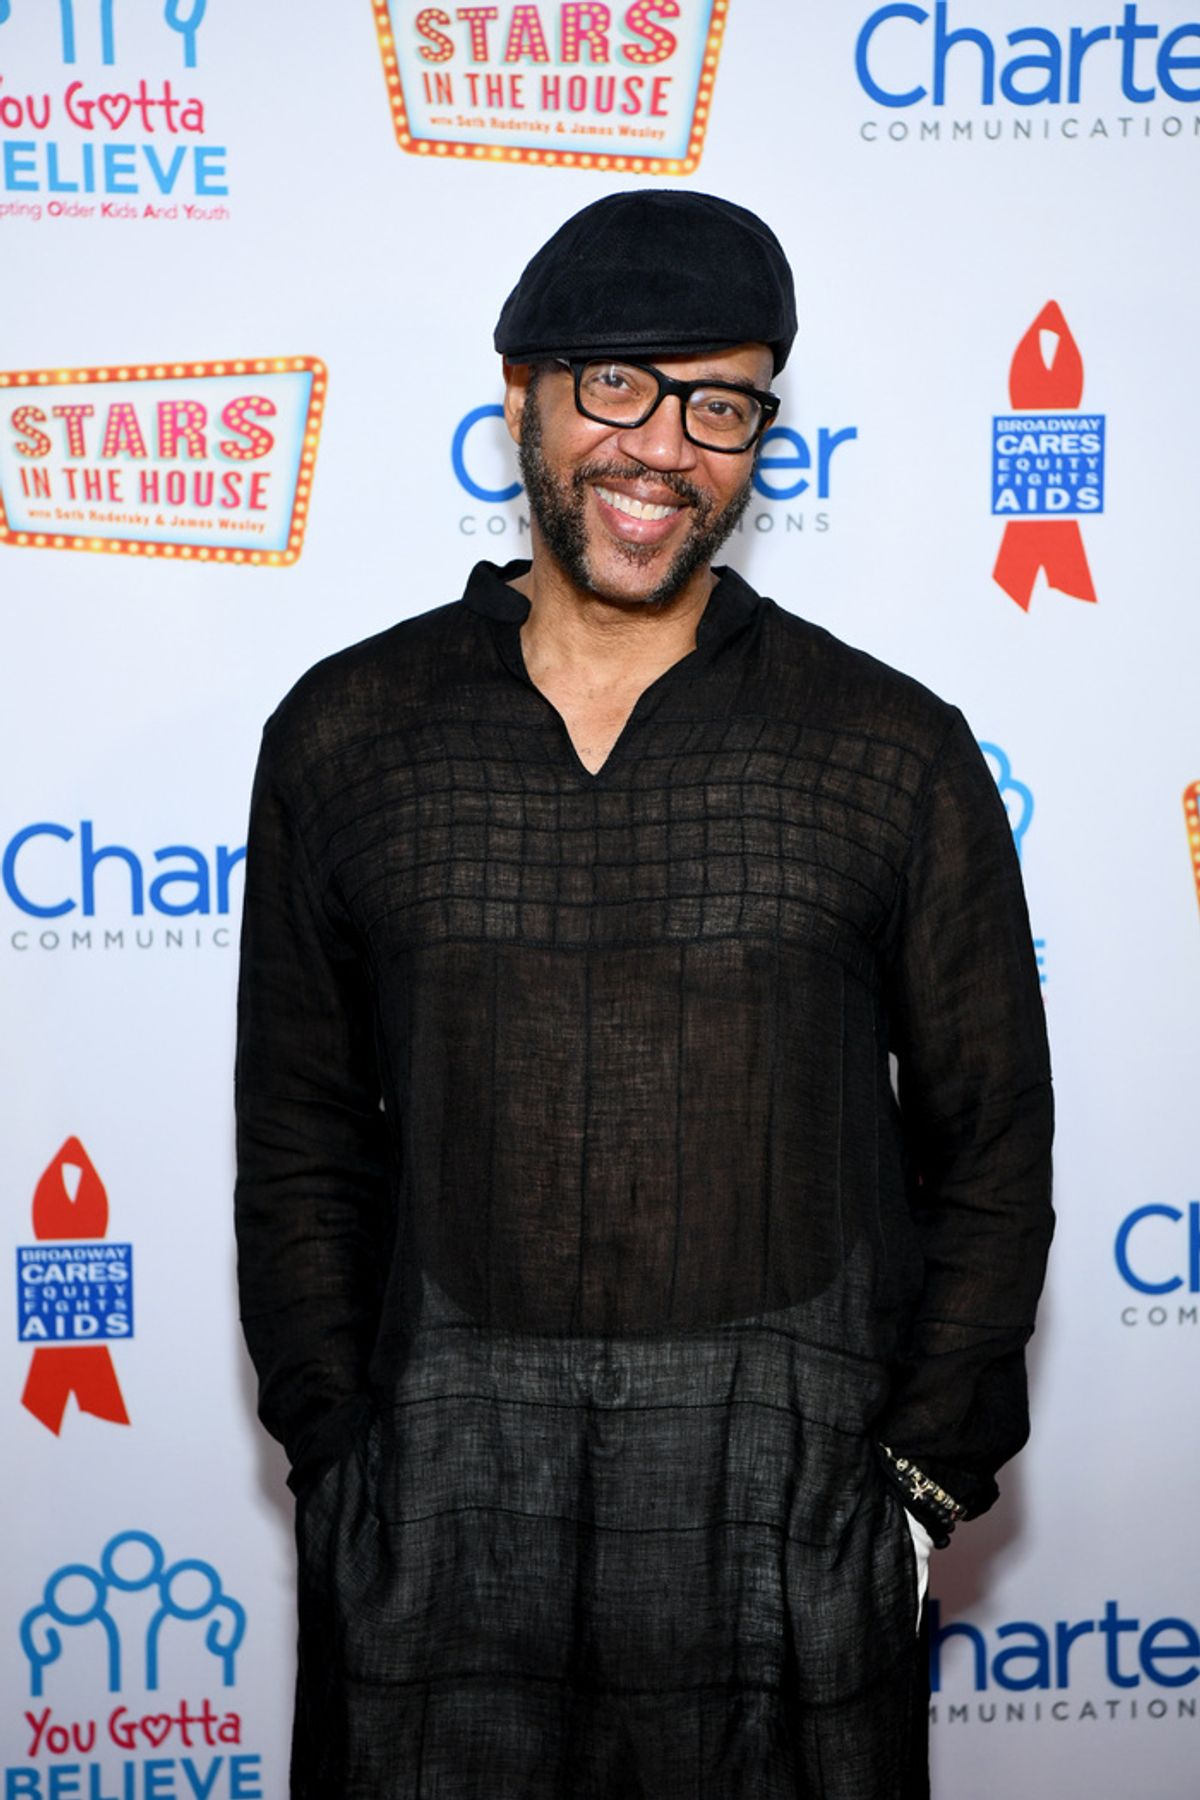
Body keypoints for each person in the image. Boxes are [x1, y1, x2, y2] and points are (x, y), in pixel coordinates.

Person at [235, 190, 1054, 1799]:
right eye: (618, 383)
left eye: (720, 402)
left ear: (761, 431)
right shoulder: (349, 733)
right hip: (441, 1529)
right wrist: (343, 1465)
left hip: (783, 1527)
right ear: (521, 389)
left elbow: (991, 1145)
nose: (662, 446)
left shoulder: (887, 749)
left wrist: (910, 1490)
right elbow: (303, 1139)